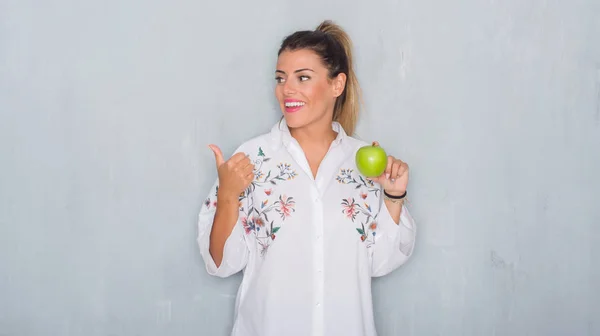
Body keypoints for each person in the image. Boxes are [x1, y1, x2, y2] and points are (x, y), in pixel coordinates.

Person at [197, 20, 416, 336]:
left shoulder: (365, 164)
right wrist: (229, 197)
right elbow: (220, 263)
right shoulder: (250, 159)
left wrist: (393, 198)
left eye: (303, 77)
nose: (288, 89)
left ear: (336, 85)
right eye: (281, 78)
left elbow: (379, 263)